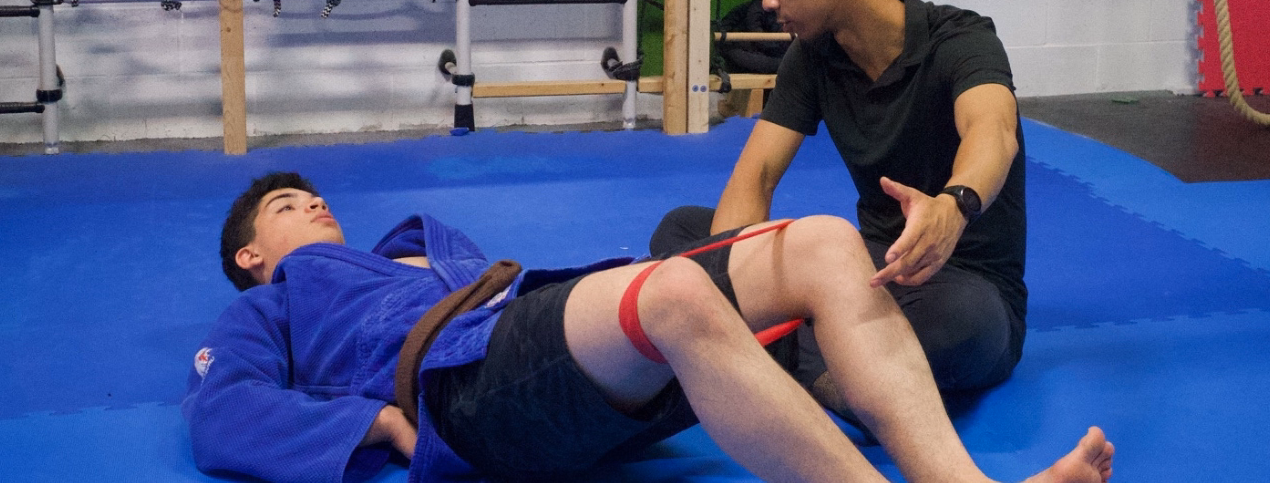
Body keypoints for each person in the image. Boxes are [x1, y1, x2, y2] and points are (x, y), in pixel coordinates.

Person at [184, 172, 1113, 482]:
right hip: (465, 393)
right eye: (282, 208)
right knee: (670, 292)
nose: (307, 205)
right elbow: (222, 410)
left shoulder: (410, 252)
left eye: (310, 197)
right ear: (249, 257)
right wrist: (375, 428)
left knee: (827, 242)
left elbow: (534, 318)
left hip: (532, 343)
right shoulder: (271, 303)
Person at [650, 0, 1029, 412]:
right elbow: (755, 178)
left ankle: (754, 352)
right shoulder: (813, 57)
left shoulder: (961, 40)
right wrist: (731, 273)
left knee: (967, 323)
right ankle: (828, 371)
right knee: (683, 229)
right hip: (860, 272)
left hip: (957, 286)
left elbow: (994, 131)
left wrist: (954, 205)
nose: (767, 2)